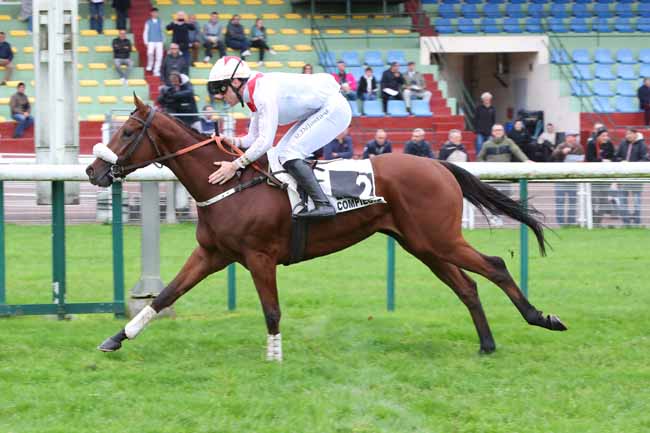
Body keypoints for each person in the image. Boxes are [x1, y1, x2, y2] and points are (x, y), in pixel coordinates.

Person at [206, 56, 351, 219]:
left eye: (222, 89)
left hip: (333, 108)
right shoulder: (254, 93)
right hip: (320, 109)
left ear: (236, 82)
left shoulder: (262, 92)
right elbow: (252, 140)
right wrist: (230, 140)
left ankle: (323, 205)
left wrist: (234, 166)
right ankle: (303, 202)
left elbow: (265, 142)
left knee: (289, 154)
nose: (219, 96)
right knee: (277, 156)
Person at [614, 128, 648, 226]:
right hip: (623, 177)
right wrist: (621, 161)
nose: (627, 136)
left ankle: (637, 223)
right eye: (626, 134)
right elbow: (616, 156)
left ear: (635, 134)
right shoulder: (623, 144)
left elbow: (645, 160)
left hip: (636, 177)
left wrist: (631, 165)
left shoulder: (642, 145)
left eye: (629, 134)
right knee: (622, 200)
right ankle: (626, 223)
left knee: (637, 201)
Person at [550, 132, 584, 226]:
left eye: (575, 137)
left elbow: (582, 160)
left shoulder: (579, 147)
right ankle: (561, 223)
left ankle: (571, 222)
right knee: (560, 201)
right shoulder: (561, 146)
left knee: (573, 201)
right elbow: (553, 156)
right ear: (567, 138)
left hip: (573, 179)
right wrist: (562, 152)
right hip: (561, 178)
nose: (574, 139)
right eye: (572, 137)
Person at [585, 128, 616, 225]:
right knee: (593, 200)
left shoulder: (609, 144)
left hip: (604, 177)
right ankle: (592, 220)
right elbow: (590, 159)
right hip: (593, 177)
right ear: (598, 136)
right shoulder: (591, 144)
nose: (605, 138)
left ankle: (597, 221)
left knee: (603, 200)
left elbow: (612, 157)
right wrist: (602, 161)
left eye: (607, 135)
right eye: (603, 136)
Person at [143, 8, 165, 77]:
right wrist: (146, 41)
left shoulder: (160, 21)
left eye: (156, 12)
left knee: (159, 56)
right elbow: (145, 32)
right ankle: (150, 64)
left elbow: (162, 31)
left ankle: (156, 71)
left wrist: (163, 40)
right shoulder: (148, 22)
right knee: (150, 53)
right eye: (154, 12)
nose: (155, 14)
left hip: (159, 41)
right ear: (151, 13)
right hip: (151, 41)